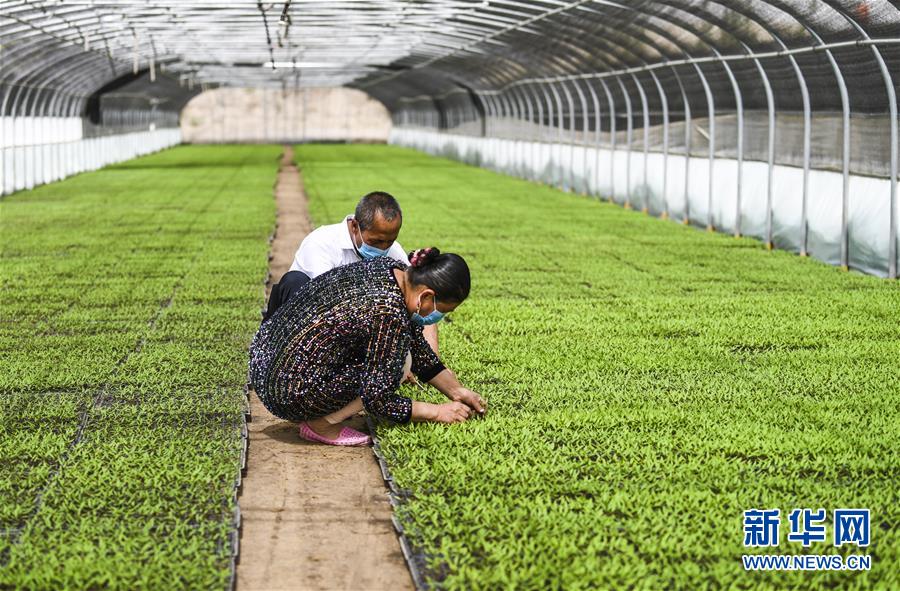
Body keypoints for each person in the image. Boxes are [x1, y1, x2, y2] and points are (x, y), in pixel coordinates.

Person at [248, 248, 486, 446]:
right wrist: (438, 412)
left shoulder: (390, 268)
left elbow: (417, 343)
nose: (437, 317)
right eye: (442, 310)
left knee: (399, 354)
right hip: (285, 391)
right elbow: (377, 398)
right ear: (426, 296)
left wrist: (457, 391)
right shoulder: (388, 312)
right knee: (394, 367)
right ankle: (321, 426)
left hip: (264, 362)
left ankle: (321, 412)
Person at [264, 191, 440, 356]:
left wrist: (425, 357)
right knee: (295, 281)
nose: (384, 248)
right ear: (355, 226)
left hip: (351, 329)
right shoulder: (322, 243)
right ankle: (283, 356)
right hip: (311, 321)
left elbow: (418, 297)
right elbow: (329, 305)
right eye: (376, 241)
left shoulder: (393, 251)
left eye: (390, 241)